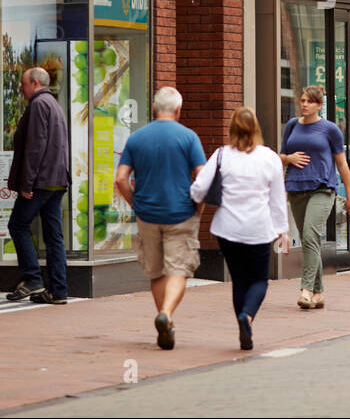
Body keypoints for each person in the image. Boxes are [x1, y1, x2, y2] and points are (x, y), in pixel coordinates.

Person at [189, 107, 289, 350]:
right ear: (257, 128)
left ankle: (242, 323)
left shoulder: (222, 155)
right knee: (259, 281)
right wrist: (282, 230)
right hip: (259, 228)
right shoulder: (270, 158)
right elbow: (277, 198)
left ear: (231, 128)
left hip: (228, 229)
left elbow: (199, 189)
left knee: (239, 280)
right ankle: (248, 316)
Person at [114, 87, 206, 350]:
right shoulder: (189, 137)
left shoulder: (137, 138)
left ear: (154, 109)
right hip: (181, 213)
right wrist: (197, 207)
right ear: (178, 109)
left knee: (155, 271)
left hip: (147, 215)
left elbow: (120, 178)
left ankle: (166, 319)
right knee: (178, 269)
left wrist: (135, 204)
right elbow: (202, 177)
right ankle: (166, 313)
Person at [279, 85, 350, 309]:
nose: (304, 104)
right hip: (296, 189)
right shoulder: (293, 125)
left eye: (309, 101)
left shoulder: (330, 129)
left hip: (322, 189)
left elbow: (342, 164)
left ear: (319, 105)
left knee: (309, 234)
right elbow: (280, 156)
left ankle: (305, 290)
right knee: (309, 240)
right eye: (302, 100)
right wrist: (289, 159)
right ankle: (319, 293)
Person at [6, 67, 71, 304]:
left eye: (23, 84)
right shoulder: (54, 105)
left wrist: (27, 182)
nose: (21, 89)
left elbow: (35, 146)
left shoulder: (38, 105)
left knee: (17, 225)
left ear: (34, 83)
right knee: (54, 236)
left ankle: (33, 278)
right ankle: (58, 290)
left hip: (41, 181)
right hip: (56, 181)